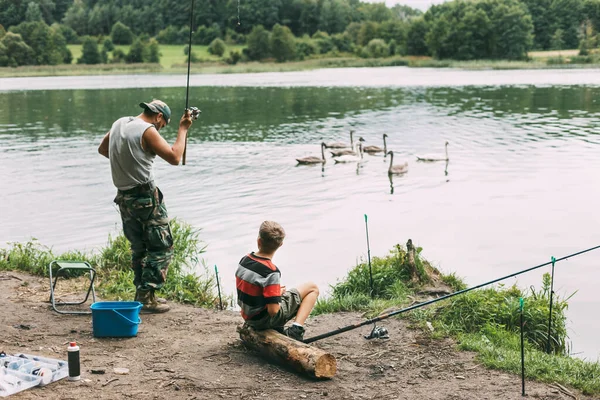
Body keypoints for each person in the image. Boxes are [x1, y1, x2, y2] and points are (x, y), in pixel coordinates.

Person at [98, 99, 193, 313]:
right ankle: (147, 295)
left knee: (139, 247)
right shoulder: (148, 130)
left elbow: (103, 149)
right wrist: (183, 129)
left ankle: (142, 295)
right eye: (163, 125)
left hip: (124, 197)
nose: (160, 129)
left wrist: (129, 162)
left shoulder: (119, 123)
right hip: (146, 197)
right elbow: (175, 157)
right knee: (162, 246)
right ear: (159, 117)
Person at [235, 221, 319, 341]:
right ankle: (296, 330)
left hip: (249, 316)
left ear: (258, 241)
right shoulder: (271, 272)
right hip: (263, 320)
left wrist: (274, 294)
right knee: (312, 288)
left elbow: (250, 288)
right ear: (280, 245)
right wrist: (277, 297)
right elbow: (273, 311)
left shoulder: (245, 260)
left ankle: (280, 327)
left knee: (286, 294)